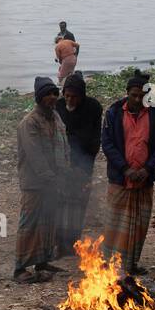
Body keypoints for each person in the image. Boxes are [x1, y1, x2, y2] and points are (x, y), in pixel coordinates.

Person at [99, 71, 155, 274]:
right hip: (120, 179)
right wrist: (125, 168)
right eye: (134, 95)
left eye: (141, 96)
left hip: (144, 180)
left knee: (139, 224)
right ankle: (110, 264)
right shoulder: (113, 113)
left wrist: (147, 169)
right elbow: (108, 144)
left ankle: (131, 264)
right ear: (127, 93)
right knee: (115, 223)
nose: (137, 100)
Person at [14, 77, 70, 283]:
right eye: (48, 94)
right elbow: (35, 156)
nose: (53, 98)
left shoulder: (55, 117)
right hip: (35, 183)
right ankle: (19, 268)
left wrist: (64, 174)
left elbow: (65, 146)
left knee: (48, 223)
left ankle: (42, 262)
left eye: (55, 93)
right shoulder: (29, 123)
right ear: (39, 97)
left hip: (54, 181)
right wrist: (50, 178)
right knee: (29, 223)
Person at [55, 72, 102, 257]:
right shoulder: (58, 106)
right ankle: (59, 243)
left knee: (78, 204)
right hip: (61, 165)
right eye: (67, 95)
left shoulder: (93, 107)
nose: (70, 99)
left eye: (74, 96)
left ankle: (73, 243)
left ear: (81, 96)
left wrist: (81, 166)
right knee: (60, 204)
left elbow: (93, 140)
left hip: (83, 165)